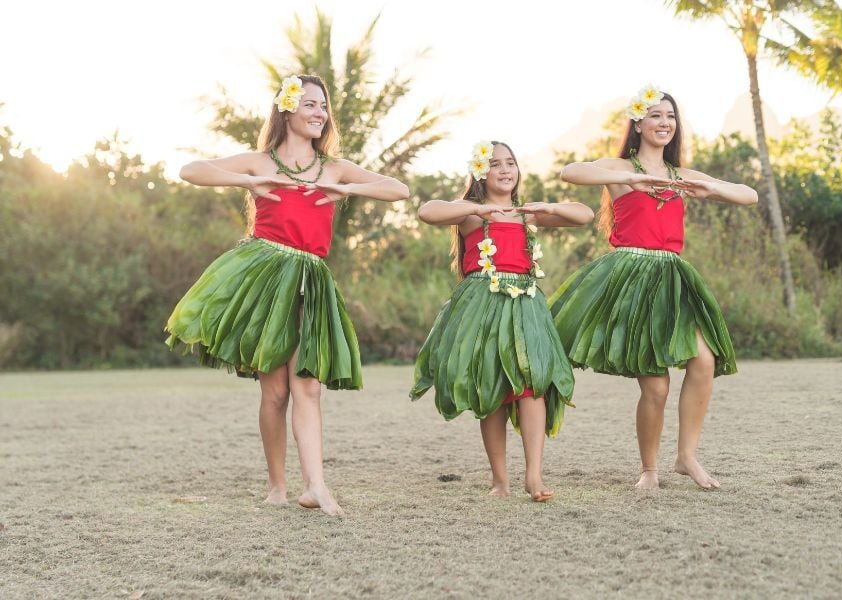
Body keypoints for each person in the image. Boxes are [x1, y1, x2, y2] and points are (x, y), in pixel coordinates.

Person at [165, 74, 409, 515]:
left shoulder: (332, 168)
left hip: (311, 279)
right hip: (266, 279)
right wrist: (244, 183)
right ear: (288, 110)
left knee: (308, 387)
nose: (321, 113)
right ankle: (277, 485)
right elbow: (191, 170)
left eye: (324, 106)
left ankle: (315, 485)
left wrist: (347, 188)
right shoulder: (262, 162)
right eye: (312, 105)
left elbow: (398, 189)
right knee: (275, 393)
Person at [550, 86, 757, 490]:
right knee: (657, 385)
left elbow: (748, 195)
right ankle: (649, 469)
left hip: (672, 279)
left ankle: (686, 457)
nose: (665, 123)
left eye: (671, 117)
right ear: (639, 123)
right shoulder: (620, 169)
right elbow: (571, 171)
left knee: (703, 361)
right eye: (657, 116)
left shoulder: (681, 175)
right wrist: (628, 177)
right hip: (632, 280)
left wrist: (711, 189)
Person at [411, 140, 593, 501]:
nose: (506, 170)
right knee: (491, 388)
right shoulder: (470, 215)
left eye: (511, 163)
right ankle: (500, 481)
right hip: (482, 304)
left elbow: (584, 214)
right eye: (495, 164)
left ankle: (534, 476)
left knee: (533, 384)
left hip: (526, 305)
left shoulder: (527, 214)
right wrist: (480, 209)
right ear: (481, 172)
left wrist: (547, 206)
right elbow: (427, 211)